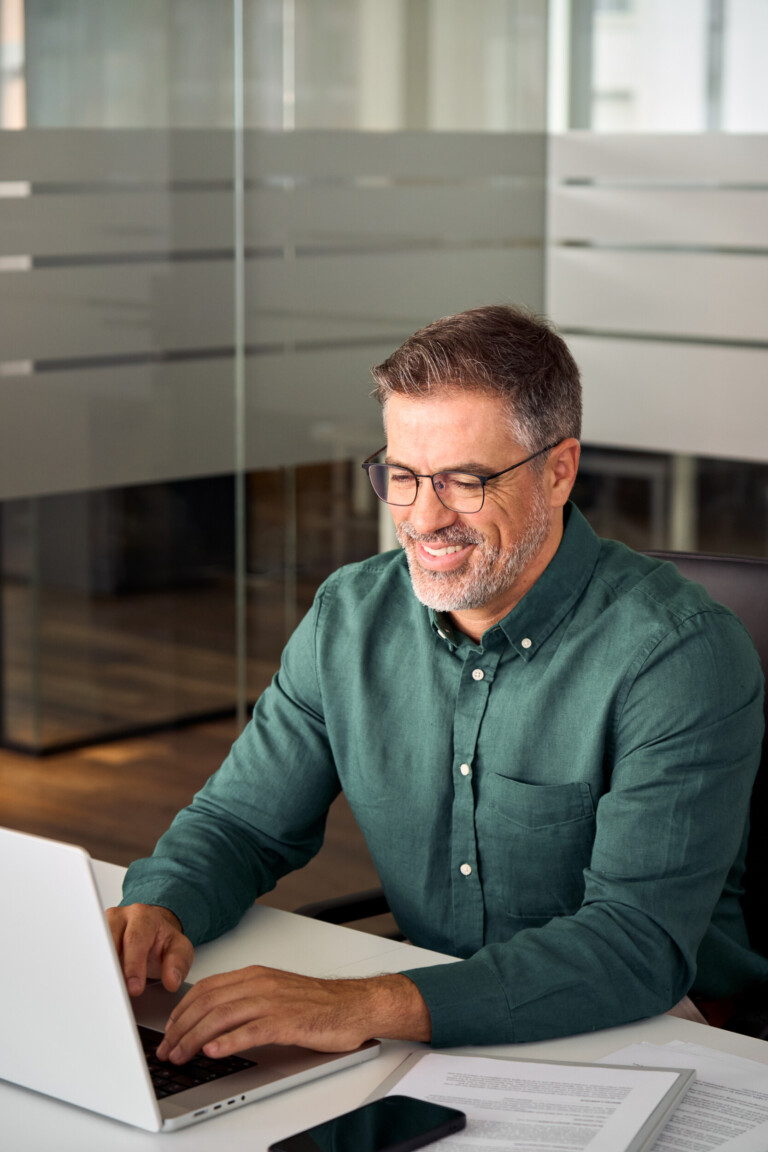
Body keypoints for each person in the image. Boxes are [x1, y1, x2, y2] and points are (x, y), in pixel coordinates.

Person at [108, 304, 767, 1067]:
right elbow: (243, 825)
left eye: (463, 480)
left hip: (647, 1031)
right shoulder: (349, 616)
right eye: (402, 475)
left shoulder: (676, 653)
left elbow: (633, 946)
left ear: (558, 471)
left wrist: (365, 1003)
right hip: (429, 1020)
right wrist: (161, 902)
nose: (422, 517)